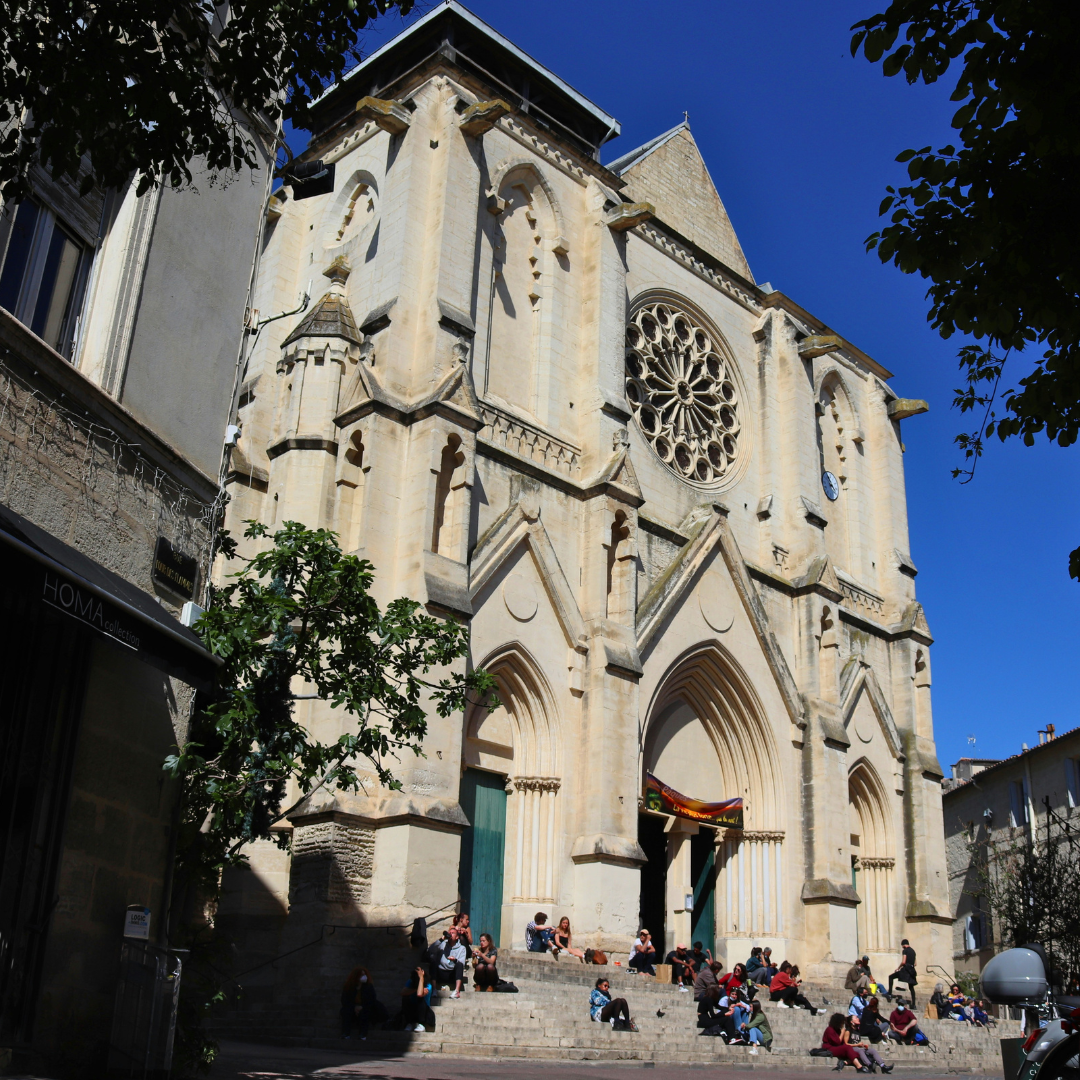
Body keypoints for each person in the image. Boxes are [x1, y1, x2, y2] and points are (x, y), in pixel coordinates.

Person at [433, 925, 467, 998]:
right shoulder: (443, 944)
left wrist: (455, 960)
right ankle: (434, 989)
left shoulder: (462, 948)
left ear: (457, 937)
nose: (450, 934)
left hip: (452, 973)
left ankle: (457, 991)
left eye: (453, 933)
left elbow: (462, 964)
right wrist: (441, 940)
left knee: (459, 964)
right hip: (441, 971)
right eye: (449, 933)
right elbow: (431, 950)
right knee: (433, 962)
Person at [401, 965, 435, 1032]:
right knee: (405, 999)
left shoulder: (428, 985)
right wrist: (415, 989)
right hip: (412, 1009)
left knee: (420, 998)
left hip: (425, 1012)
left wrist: (421, 978)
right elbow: (402, 992)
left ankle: (421, 1024)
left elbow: (419, 994)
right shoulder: (410, 982)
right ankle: (409, 1023)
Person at [887, 939, 917, 1008]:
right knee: (911, 987)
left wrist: (898, 968)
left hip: (905, 970)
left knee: (891, 977)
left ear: (903, 945)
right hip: (912, 971)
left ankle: (889, 994)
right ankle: (913, 1004)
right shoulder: (913, 951)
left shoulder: (905, 951)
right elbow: (915, 963)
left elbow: (903, 962)